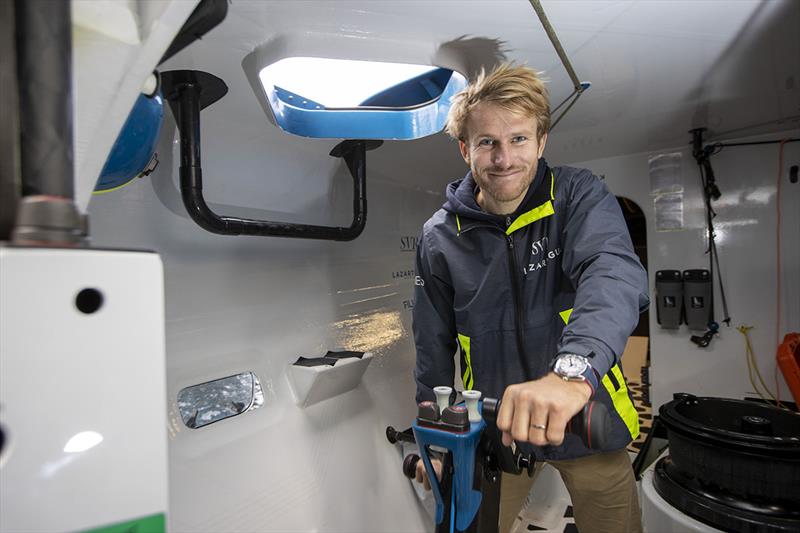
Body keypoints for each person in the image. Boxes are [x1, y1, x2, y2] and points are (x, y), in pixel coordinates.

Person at [411, 63, 649, 533]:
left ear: (541, 142)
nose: (504, 158)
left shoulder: (578, 196)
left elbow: (613, 274)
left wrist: (571, 374)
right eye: (487, 143)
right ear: (465, 149)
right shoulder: (438, 237)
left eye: (518, 139)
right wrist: (438, 442)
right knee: (467, 525)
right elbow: (432, 345)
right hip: (495, 426)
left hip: (583, 411)